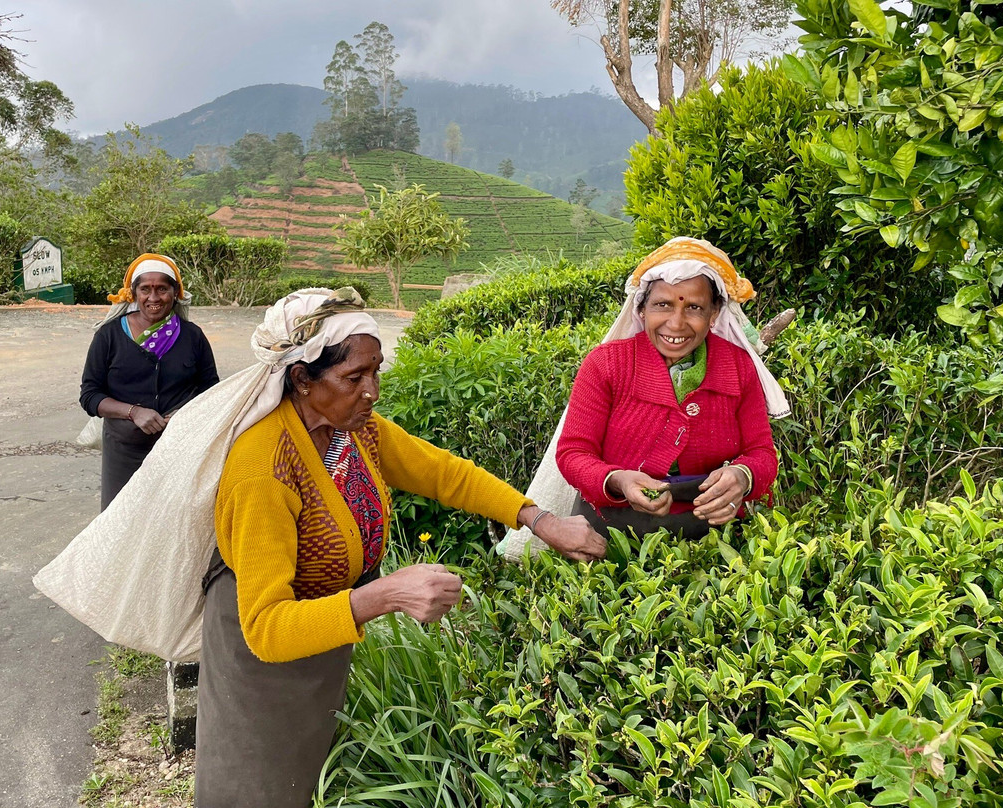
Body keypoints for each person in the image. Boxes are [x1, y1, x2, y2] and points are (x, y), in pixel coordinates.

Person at [195, 288, 606, 808]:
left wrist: (538, 520)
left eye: (376, 371)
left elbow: (442, 473)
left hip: (323, 627)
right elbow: (267, 629)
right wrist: (385, 595)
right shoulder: (264, 469)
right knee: (253, 783)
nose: (373, 391)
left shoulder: (349, 429)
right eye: (354, 378)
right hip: (260, 651)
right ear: (301, 378)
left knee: (305, 772)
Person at [553, 237, 788, 540]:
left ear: (713, 314)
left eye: (694, 308)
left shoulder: (738, 367)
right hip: (611, 532)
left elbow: (761, 454)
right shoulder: (606, 364)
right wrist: (618, 480)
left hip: (711, 536)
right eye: (662, 305)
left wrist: (742, 477)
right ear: (642, 309)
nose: (676, 324)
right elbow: (573, 453)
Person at [79, 253, 219, 510]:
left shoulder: (192, 336)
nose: (153, 298)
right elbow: (90, 395)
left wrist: (184, 413)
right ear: (133, 293)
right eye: (145, 289)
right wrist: (133, 412)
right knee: (121, 520)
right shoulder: (109, 336)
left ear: (175, 293)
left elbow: (211, 389)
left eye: (162, 289)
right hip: (124, 450)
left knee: (173, 519)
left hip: (178, 449)